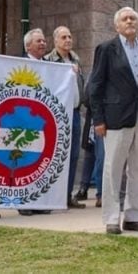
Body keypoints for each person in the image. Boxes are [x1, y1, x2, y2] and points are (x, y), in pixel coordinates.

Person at [88, 6, 138, 235]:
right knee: (113, 168)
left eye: (133, 18)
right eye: (125, 18)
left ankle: (135, 217)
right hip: (115, 119)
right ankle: (112, 218)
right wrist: (98, 119)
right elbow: (95, 86)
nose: (130, 21)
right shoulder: (106, 49)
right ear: (117, 25)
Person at [45, 26, 86, 209]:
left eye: (69, 36)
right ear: (55, 41)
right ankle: (52, 196)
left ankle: (68, 195)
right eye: (63, 37)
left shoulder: (76, 59)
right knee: (54, 155)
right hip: (56, 115)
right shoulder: (48, 60)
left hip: (75, 112)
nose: (68, 40)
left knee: (73, 155)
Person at [18, 28, 53, 216]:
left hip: (42, 122)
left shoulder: (49, 65)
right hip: (25, 120)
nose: (43, 44)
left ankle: (37, 200)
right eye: (38, 41)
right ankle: (22, 201)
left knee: (38, 162)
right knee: (23, 162)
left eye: (44, 41)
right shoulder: (21, 64)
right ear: (28, 45)